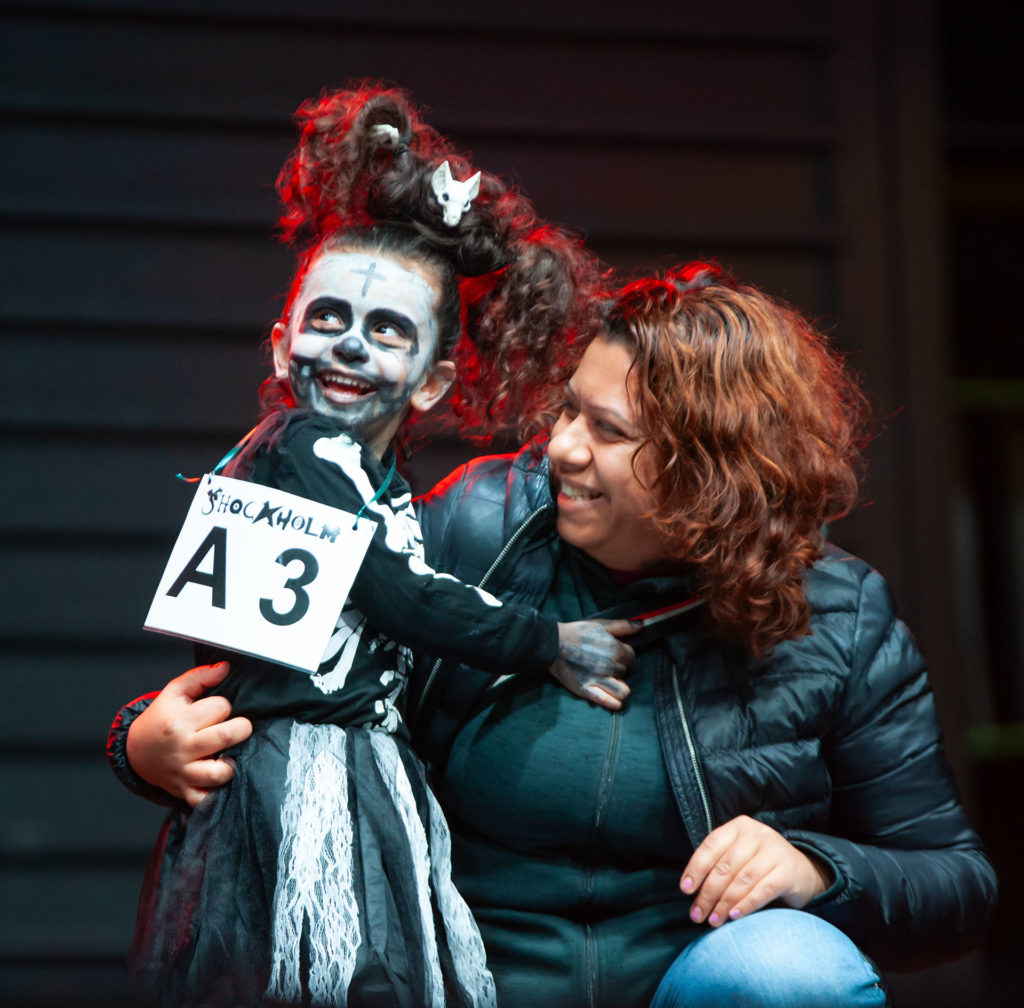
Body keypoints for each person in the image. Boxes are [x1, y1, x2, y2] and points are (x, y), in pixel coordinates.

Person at [112, 258, 997, 1008]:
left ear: (709, 468)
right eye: (570, 410)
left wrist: (814, 867)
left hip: (685, 981)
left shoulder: (835, 612)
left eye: (607, 431)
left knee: (788, 974)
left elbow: (953, 884)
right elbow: (285, 675)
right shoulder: (475, 527)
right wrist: (141, 743)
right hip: (463, 979)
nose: (562, 448)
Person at [121, 84, 639, 1008]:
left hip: (337, 767)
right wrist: (547, 642)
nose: (351, 347)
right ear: (281, 346)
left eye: (387, 330)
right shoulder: (304, 447)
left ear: (432, 380)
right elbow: (404, 598)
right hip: (299, 778)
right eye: (327, 320)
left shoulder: (375, 482)